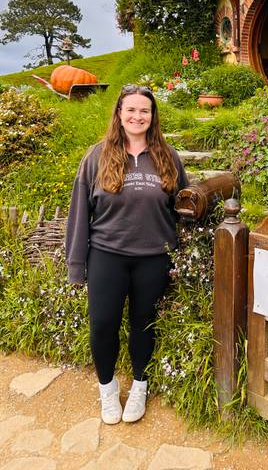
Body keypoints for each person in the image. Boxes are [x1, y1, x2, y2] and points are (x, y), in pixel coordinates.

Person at [66, 85, 189, 424]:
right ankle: (107, 388)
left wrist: (186, 253)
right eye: (131, 110)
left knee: (143, 325)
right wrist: (77, 265)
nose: (138, 116)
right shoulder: (97, 156)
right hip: (107, 255)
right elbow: (80, 213)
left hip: (154, 257)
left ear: (153, 117)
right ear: (119, 114)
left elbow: (185, 206)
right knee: (103, 324)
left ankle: (139, 385)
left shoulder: (168, 156)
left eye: (144, 111)